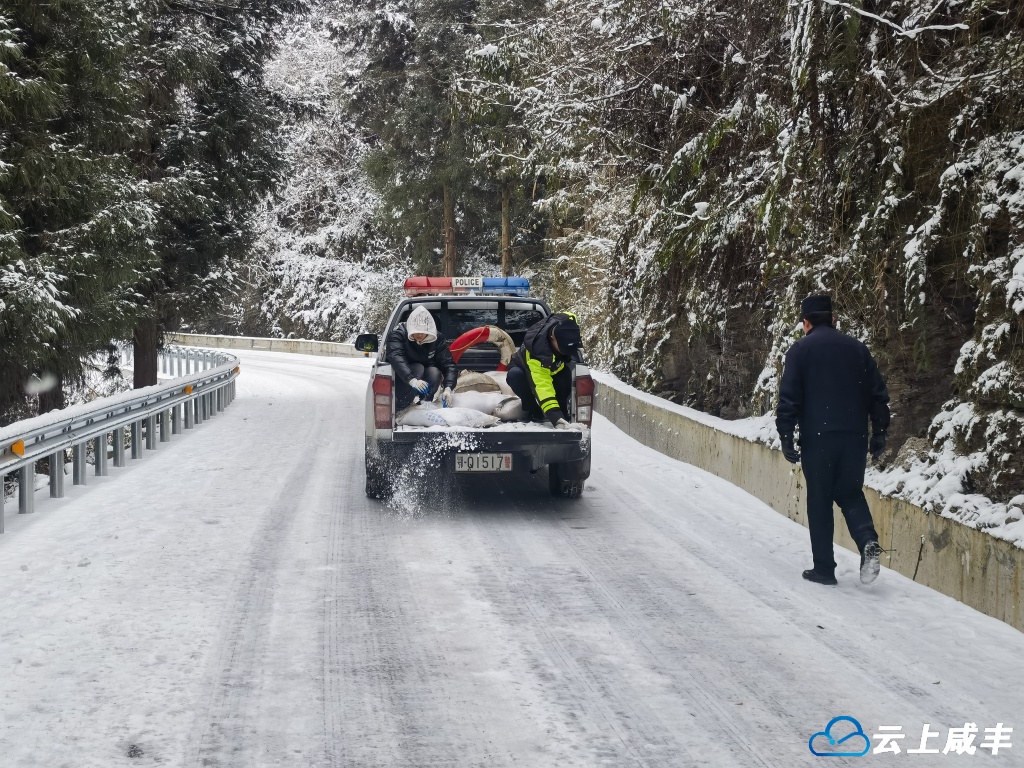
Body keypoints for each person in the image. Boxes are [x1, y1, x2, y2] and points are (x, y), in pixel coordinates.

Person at [776, 295, 890, 586]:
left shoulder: (800, 351)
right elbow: (878, 395)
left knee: (820, 498)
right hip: (854, 437)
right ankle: (867, 542)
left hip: (818, 436)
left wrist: (786, 434)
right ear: (833, 319)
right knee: (850, 492)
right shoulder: (858, 349)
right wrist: (879, 432)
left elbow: (789, 397)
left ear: (806, 322)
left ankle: (824, 569)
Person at [507, 312, 585, 429]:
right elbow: (543, 386)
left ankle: (562, 411)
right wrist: (555, 417)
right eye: (563, 349)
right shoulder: (537, 352)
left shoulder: (567, 321)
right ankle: (533, 410)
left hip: (554, 369)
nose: (565, 353)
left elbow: (571, 317)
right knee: (515, 376)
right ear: (552, 338)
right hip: (526, 374)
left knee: (566, 376)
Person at [385, 305, 457, 410]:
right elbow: (396, 356)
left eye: (423, 331)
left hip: (424, 377)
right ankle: (403, 405)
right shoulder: (398, 334)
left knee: (434, 371)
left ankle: (425, 403)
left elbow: (448, 364)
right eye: (416, 330)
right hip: (403, 378)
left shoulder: (437, 339)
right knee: (419, 368)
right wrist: (411, 380)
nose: (420, 334)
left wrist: (448, 388)